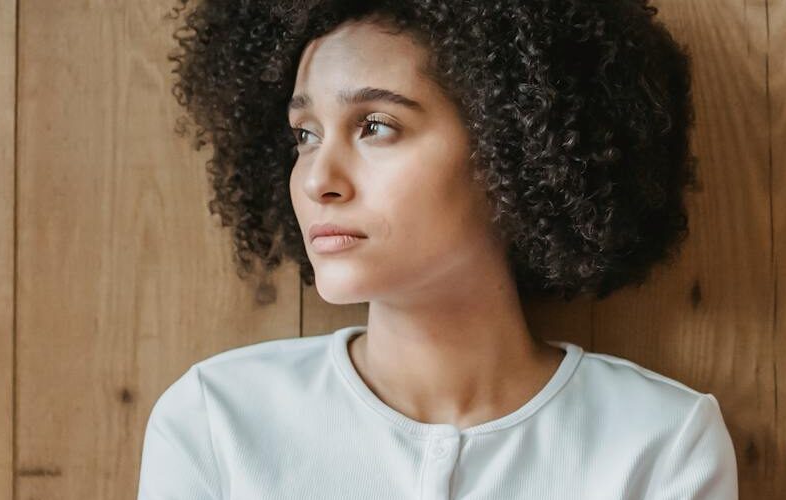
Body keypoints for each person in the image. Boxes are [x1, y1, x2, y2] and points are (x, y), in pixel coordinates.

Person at [139, 0, 737, 498]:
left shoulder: (660, 442)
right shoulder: (215, 420)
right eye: (305, 135)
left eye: (375, 125)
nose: (320, 178)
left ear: (514, 148)